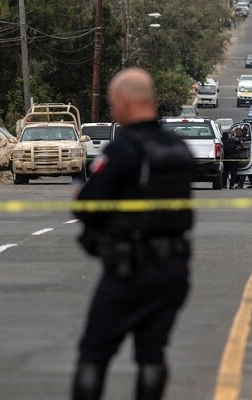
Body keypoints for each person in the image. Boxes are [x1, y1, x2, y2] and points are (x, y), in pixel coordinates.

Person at [71, 68, 194, 400]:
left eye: (113, 104)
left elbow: (88, 206)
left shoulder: (124, 150)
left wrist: (80, 197)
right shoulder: (178, 149)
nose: (113, 111)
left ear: (124, 102)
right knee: (152, 354)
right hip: (173, 269)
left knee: (94, 352)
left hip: (130, 269)